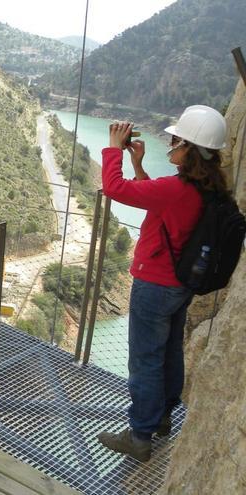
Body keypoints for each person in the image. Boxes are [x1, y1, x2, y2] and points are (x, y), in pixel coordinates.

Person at [97, 105, 229, 462]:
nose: (170, 144)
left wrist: (113, 148)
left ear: (189, 149)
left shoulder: (177, 189)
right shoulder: (206, 188)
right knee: (169, 353)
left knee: (145, 361)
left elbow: (114, 188)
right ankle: (163, 417)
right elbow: (154, 200)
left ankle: (139, 435)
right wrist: (139, 163)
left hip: (155, 285)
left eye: (176, 140)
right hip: (181, 285)